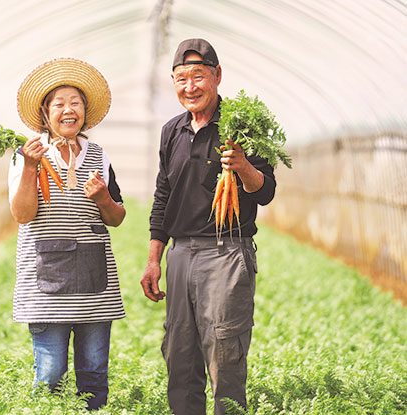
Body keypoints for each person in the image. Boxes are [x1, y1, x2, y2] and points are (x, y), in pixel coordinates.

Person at [140, 39, 276, 414]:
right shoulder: (172, 131)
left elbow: (266, 192)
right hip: (180, 254)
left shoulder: (244, 125)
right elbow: (163, 196)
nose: (190, 87)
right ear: (173, 80)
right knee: (179, 353)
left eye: (198, 76)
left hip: (226, 252)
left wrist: (244, 165)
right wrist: (155, 258)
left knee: (224, 350)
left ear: (217, 75)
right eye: (182, 78)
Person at [9, 58, 126, 411]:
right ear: (46, 112)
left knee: (93, 372)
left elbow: (117, 217)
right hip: (45, 282)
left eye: (75, 102)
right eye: (59, 103)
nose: (68, 109)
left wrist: (103, 197)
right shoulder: (27, 155)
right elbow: (23, 214)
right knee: (50, 372)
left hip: (93, 282)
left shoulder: (100, 157)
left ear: (85, 112)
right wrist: (31, 167)